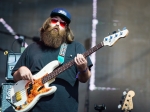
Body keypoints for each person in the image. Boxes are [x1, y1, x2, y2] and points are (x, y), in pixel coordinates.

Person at [12, 8, 93, 112]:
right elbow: (15, 77)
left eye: (63, 23)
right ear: (48, 23)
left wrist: (83, 69)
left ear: (66, 29)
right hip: (33, 108)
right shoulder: (31, 48)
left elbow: (84, 79)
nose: (58, 24)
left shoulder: (76, 47)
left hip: (65, 109)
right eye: (54, 20)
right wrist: (21, 70)